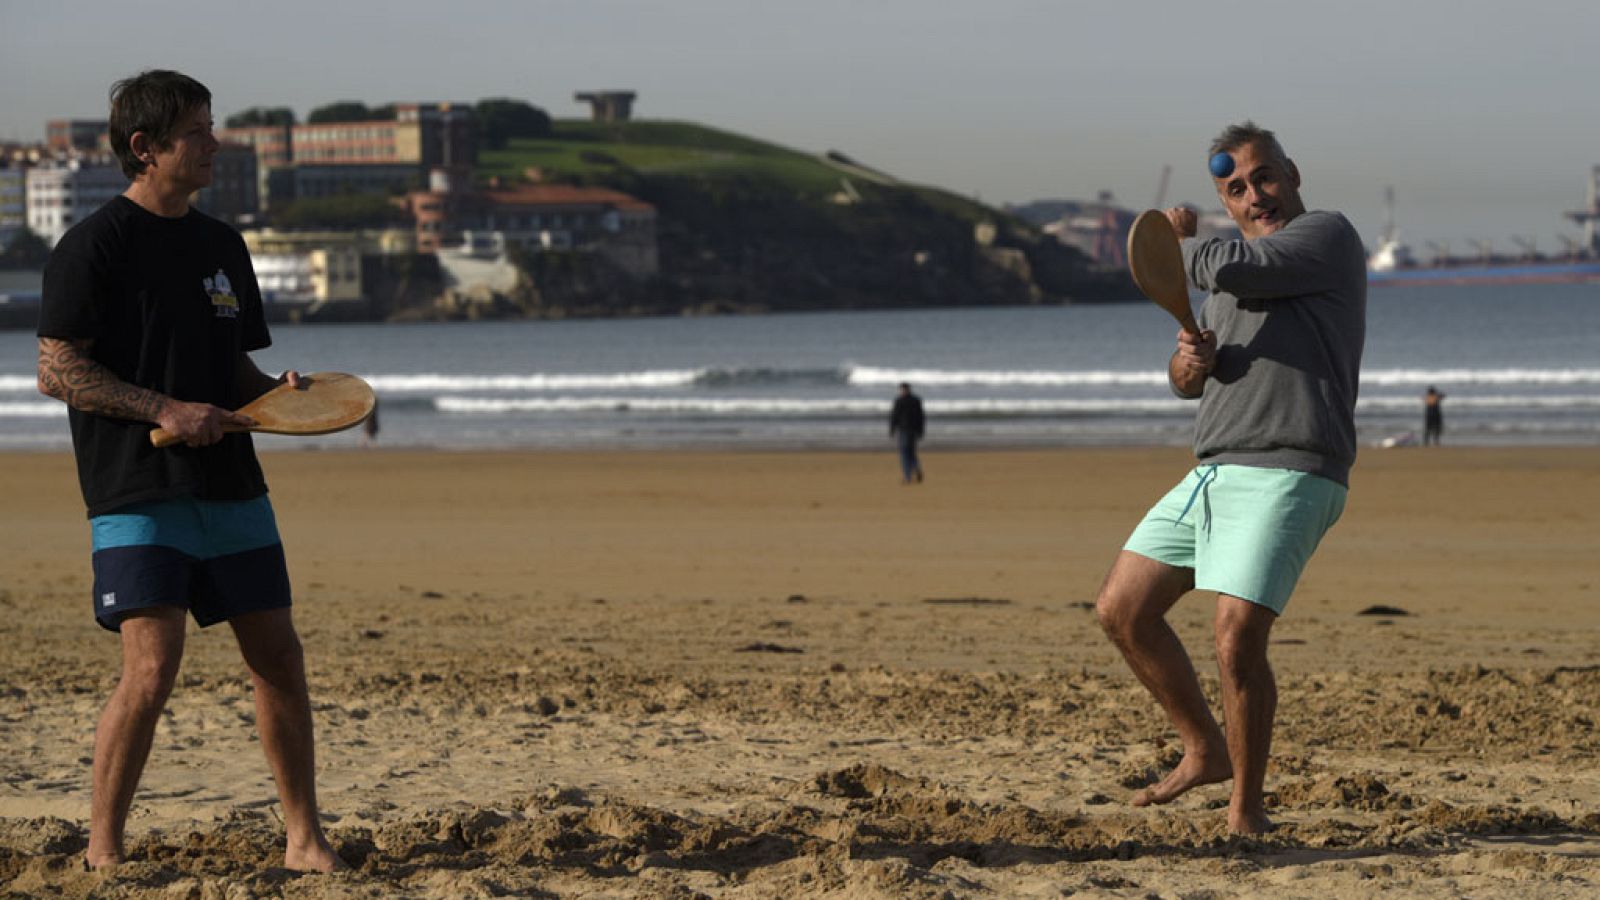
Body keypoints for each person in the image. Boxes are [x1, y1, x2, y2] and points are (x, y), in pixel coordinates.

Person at [35, 70, 344, 872]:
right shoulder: (93, 245)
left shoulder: (221, 246)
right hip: (136, 486)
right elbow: (57, 369)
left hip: (232, 484)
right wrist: (166, 409)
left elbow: (228, 366)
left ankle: (304, 841)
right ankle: (104, 852)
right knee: (152, 665)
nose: (215, 143)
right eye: (198, 131)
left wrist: (278, 398)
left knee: (276, 654)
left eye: (213, 127)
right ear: (146, 148)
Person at [1093, 122, 1366, 834]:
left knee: (1235, 633)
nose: (1255, 195)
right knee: (1122, 610)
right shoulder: (1222, 275)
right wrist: (1189, 364)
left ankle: (1247, 812)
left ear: (1293, 173)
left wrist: (1180, 243)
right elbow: (1189, 377)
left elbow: (1239, 270)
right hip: (1213, 471)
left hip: (1294, 468)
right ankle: (1203, 747)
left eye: (1264, 176)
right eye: (1236, 188)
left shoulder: (1325, 238)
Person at [889, 382, 925, 483]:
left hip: (905, 430)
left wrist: (892, 429)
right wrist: (921, 430)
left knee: (904, 453)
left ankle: (907, 476)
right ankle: (916, 468)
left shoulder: (900, 401)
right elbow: (921, 417)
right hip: (911, 430)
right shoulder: (915, 400)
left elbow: (894, 416)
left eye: (902, 389)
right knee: (911, 452)